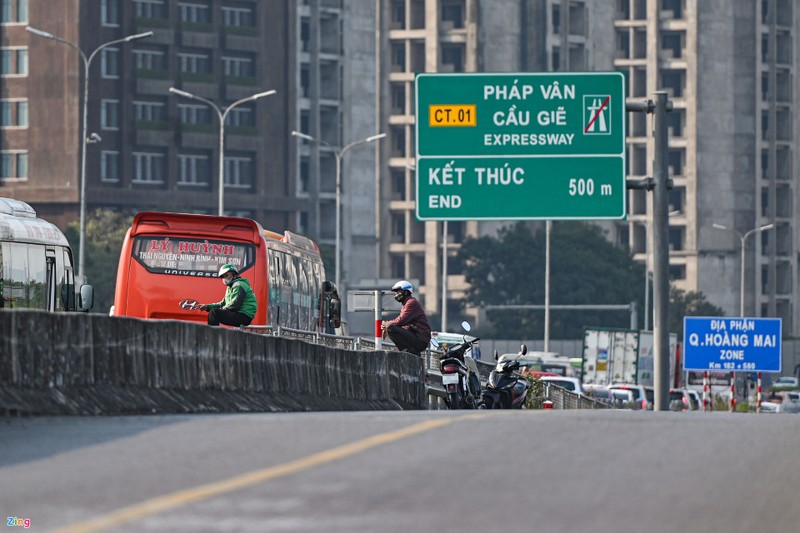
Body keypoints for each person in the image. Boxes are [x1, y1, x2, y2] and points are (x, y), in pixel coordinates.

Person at [381, 280, 431, 356]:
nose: (396, 295)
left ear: (406, 292)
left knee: (390, 327)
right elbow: (401, 323)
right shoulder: (406, 304)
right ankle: (411, 351)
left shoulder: (411, 303)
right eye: (395, 293)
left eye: (398, 292)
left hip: (420, 339)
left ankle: (409, 351)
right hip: (415, 336)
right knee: (390, 327)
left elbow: (400, 320)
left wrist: (386, 324)